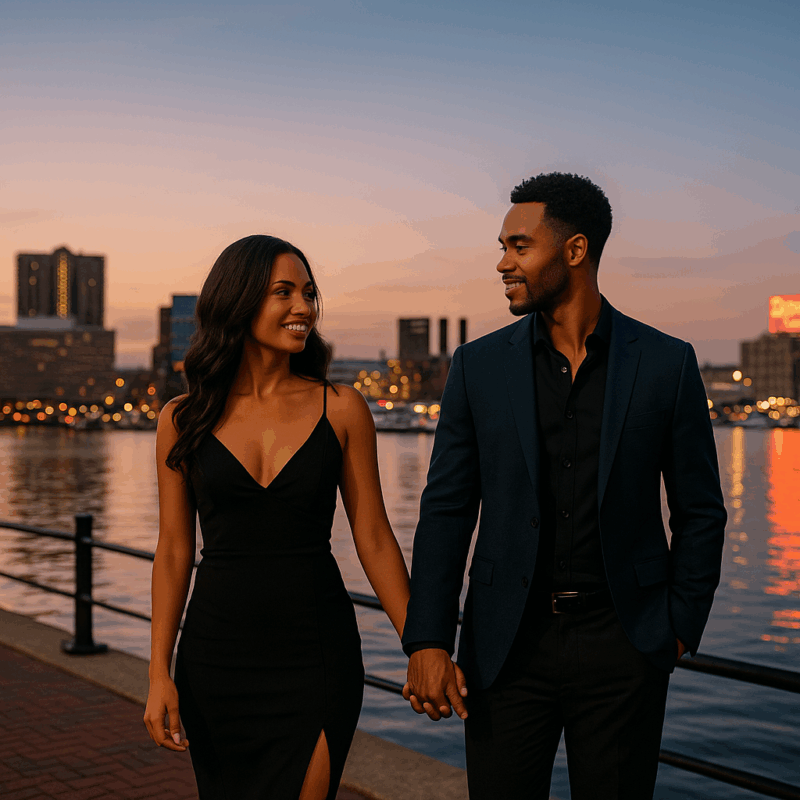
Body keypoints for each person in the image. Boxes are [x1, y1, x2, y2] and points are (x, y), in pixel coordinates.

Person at [401, 172, 727, 799]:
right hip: (505, 646)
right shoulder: (476, 366)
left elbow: (700, 510)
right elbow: (446, 510)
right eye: (503, 247)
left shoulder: (668, 363)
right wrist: (429, 640)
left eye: (519, 246)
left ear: (575, 250)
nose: (503, 263)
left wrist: (679, 624)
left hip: (626, 646)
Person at [144, 235, 410, 800]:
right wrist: (158, 672)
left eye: (309, 293)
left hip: (316, 653)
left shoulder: (342, 408)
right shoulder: (181, 419)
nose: (303, 307)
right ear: (238, 300)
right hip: (216, 658)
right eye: (283, 292)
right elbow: (173, 550)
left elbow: (373, 537)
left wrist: (423, 644)